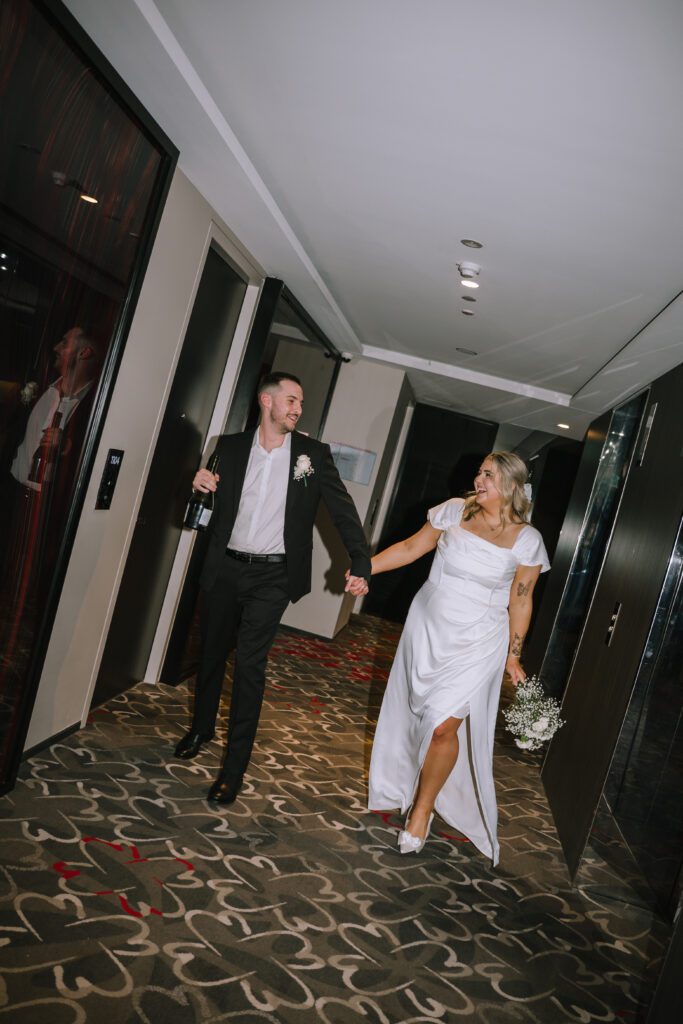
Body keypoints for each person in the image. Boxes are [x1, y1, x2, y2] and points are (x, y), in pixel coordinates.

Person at [175, 371, 371, 804]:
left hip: (273, 576)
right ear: (267, 401)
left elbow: (342, 509)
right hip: (226, 567)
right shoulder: (227, 447)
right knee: (211, 652)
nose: (298, 409)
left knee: (249, 665)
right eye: (292, 400)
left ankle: (233, 770)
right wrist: (197, 483)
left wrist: (361, 557)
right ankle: (202, 728)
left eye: (300, 403)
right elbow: (206, 499)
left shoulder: (311, 455)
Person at [367, 451, 550, 864]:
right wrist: (365, 570)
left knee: (443, 726)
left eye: (489, 474)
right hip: (429, 627)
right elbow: (411, 548)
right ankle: (411, 784)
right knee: (421, 714)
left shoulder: (527, 539)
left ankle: (422, 809)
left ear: (510, 485)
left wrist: (514, 657)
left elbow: (521, 601)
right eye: (480, 471)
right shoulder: (453, 511)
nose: (479, 478)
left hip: (481, 639)